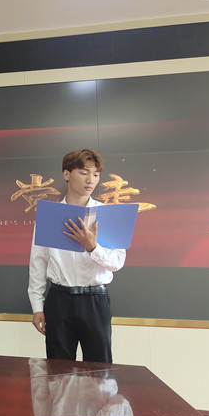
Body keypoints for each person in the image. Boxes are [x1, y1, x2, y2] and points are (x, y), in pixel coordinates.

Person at [28, 148, 126, 363]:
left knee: (99, 370)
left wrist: (93, 247)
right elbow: (38, 263)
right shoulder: (49, 215)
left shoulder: (108, 214)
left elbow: (117, 262)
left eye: (96, 174)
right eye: (83, 173)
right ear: (67, 174)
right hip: (59, 300)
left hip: (95, 300)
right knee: (58, 370)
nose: (91, 180)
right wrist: (37, 306)